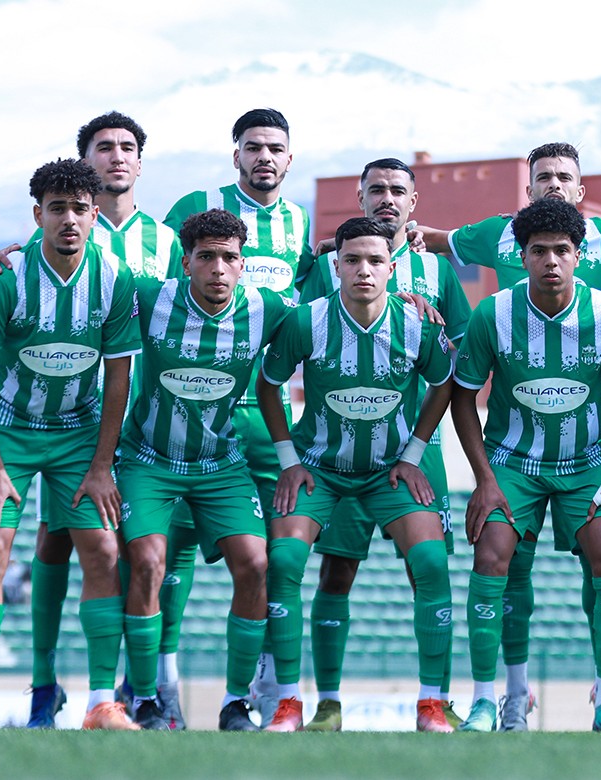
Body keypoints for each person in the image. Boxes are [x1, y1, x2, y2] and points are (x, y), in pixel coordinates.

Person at [421, 141, 601, 730]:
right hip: (512, 464)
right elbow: (461, 397)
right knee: (494, 555)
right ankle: (489, 698)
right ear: (520, 255)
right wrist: (483, 480)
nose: (551, 260)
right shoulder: (492, 313)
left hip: (584, 464)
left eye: (562, 250)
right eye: (538, 251)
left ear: (581, 254)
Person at [0, 110, 187, 730]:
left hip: (145, 419)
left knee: (147, 551)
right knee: (57, 541)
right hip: (71, 417)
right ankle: (45, 684)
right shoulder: (53, 236)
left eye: (128, 148)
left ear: (140, 163)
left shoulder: (168, 241)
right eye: (104, 148)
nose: (117, 157)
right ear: (86, 162)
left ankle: (141, 688)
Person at [256, 216, 456, 732]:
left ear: (392, 268)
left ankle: (432, 704)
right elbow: (267, 384)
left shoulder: (416, 323)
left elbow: (444, 385)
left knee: (432, 561)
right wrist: (288, 460)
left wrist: (413, 452)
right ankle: (294, 703)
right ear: (335, 265)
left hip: (389, 470)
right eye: (352, 260)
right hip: (320, 468)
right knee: (284, 562)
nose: (363, 270)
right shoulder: (307, 320)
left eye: (375, 261)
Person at [0, 158, 140, 730]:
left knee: (104, 553)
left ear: (94, 216)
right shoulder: (6, 280)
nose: (69, 219)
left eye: (80, 209)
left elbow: (119, 375)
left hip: (78, 434)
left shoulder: (115, 281)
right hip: (9, 431)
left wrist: (101, 465)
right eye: (57, 208)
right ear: (37, 214)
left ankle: (99, 703)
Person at [298, 158, 471, 730]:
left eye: (399, 190)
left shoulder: (436, 270)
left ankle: (433, 700)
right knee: (336, 573)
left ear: (414, 202)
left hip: (416, 451)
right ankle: (326, 702)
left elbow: (462, 360)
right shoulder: (327, 267)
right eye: (376, 190)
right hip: (338, 451)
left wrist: (434, 322)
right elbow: (298, 326)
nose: (387, 199)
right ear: (360, 196)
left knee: (429, 565)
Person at [117, 208, 295, 731]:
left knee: (256, 564)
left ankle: (235, 702)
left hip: (220, 462)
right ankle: (146, 698)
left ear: (243, 264)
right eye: (207, 257)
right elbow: (83, 272)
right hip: (148, 459)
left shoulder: (268, 308)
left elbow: (334, 313)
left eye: (230, 258)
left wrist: (401, 298)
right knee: (149, 563)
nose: (219, 268)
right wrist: (10, 260)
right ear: (186, 262)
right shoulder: (150, 296)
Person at [164, 107, 315, 722]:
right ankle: (155, 690)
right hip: (188, 411)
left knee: (270, 560)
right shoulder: (198, 203)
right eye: (253, 146)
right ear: (236, 155)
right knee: (164, 560)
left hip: (264, 418)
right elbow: (151, 272)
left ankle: (269, 691)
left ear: (289, 156)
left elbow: (307, 299)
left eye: (275, 147)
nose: (265, 157)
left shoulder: (300, 223)